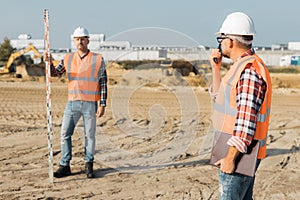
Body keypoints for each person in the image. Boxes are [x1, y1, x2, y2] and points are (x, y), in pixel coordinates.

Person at [210, 12, 272, 199]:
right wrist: (216, 68)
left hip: (239, 156)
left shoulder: (249, 72)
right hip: (236, 152)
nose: (219, 44)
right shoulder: (240, 66)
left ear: (230, 41)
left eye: (221, 38)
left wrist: (230, 159)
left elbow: (246, 121)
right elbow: (218, 97)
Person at [45, 26, 107, 178]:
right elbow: (55, 73)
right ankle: (65, 165)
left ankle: (89, 165)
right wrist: (48, 63)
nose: (80, 42)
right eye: (77, 39)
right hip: (72, 103)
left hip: (90, 103)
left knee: (89, 135)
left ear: (88, 40)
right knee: (65, 133)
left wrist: (102, 104)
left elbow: (103, 81)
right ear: (74, 41)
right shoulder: (68, 58)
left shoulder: (97, 58)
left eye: (83, 39)